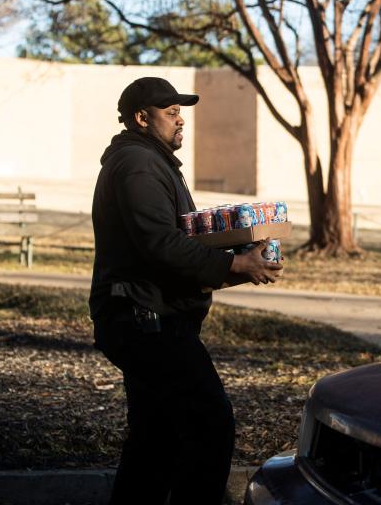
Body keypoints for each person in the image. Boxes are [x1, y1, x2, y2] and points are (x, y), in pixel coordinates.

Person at [89, 76, 283, 504]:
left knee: (156, 440)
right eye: (171, 113)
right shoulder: (138, 165)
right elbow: (162, 245)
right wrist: (236, 265)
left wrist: (238, 254)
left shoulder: (148, 161)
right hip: (147, 322)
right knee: (209, 427)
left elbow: (176, 240)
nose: (181, 122)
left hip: (149, 317)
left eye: (181, 113)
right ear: (142, 118)